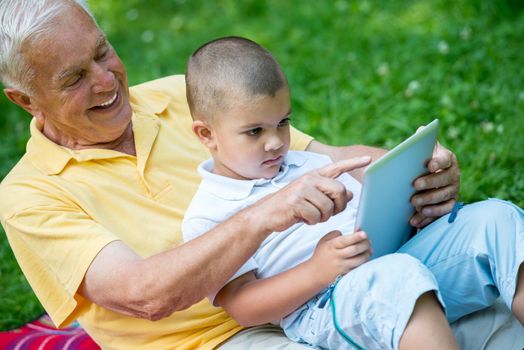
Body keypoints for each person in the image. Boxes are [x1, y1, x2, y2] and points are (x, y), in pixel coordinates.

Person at [0, 0, 494, 349]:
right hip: (220, 339)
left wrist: (416, 165)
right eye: (74, 78)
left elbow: (324, 157)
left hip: (317, 289)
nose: (107, 81)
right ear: (25, 100)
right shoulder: (28, 195)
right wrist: (266, 214)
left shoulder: (176, 94)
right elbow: (143, 293)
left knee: (491, 277)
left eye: (102, 52)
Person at [182, 36, 461, 350]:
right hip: (321, 302)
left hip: (389, 260)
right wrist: (317, 271)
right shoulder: (208, 216)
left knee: (494, 220)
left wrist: (411, 196)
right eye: (255, 131)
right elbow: (243, 306)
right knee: (397, 277)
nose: (276, 142)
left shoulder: (310, 164)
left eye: (283, 122)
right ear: (207, 134)